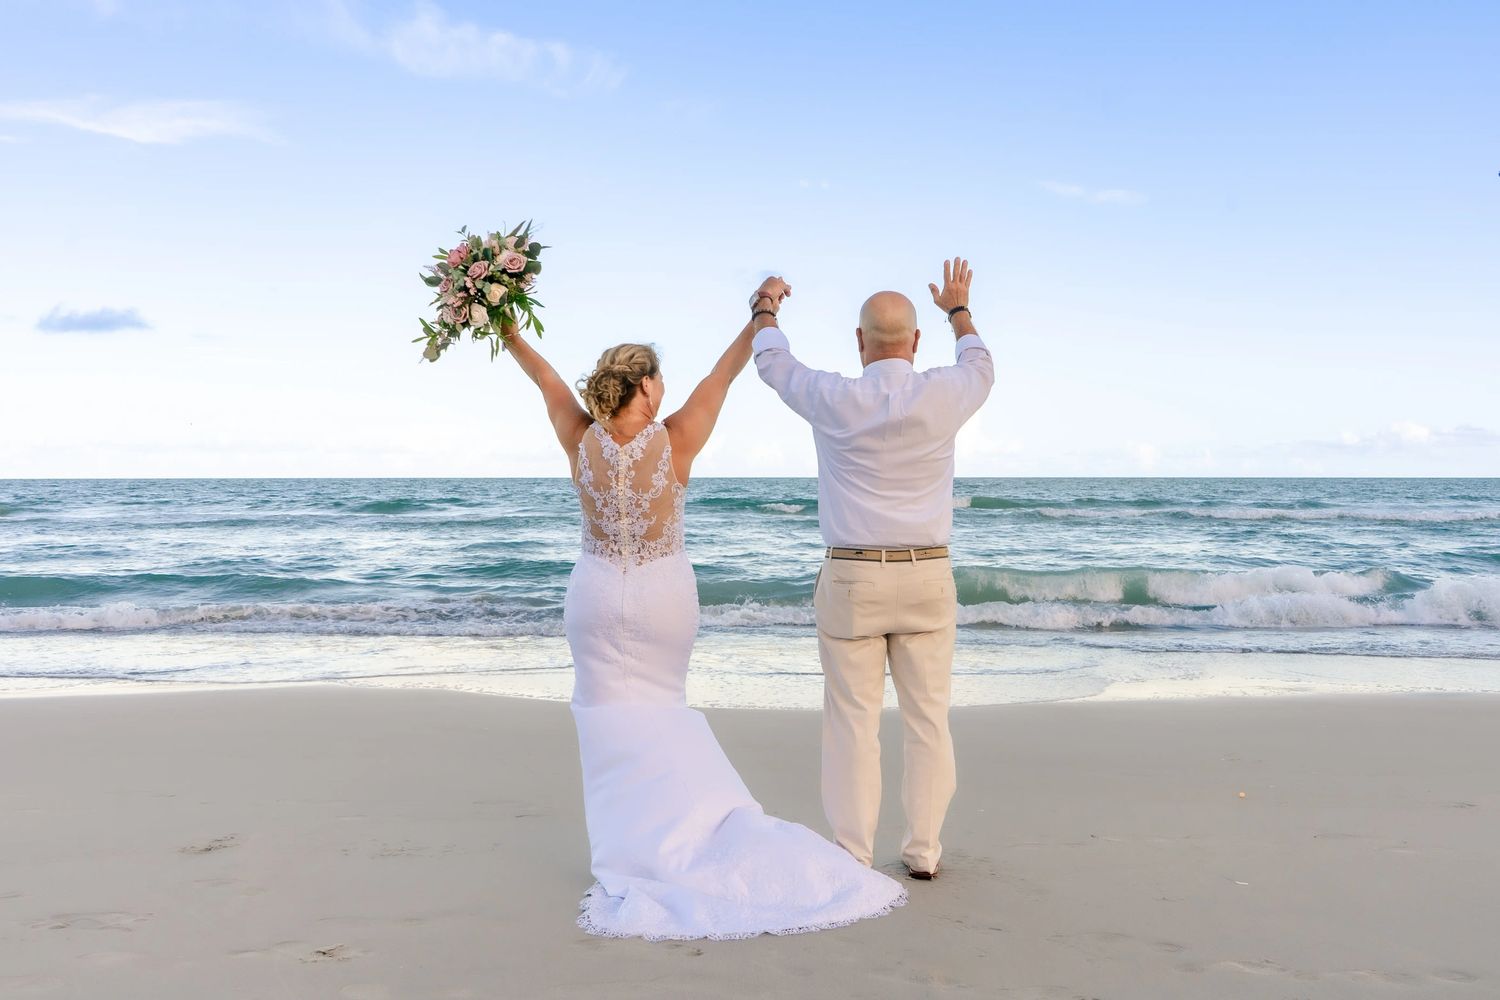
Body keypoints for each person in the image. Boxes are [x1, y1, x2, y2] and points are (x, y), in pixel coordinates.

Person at [498, 304, 907, 941]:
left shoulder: (579, 438)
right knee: (663, 708)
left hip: (597, 593)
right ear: (648, 384)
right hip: (663, 594)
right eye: (659, 380)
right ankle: (685, 830)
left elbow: (544, 379)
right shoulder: (677, 437)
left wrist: (508, 330)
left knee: (607, 720)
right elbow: (725, 374)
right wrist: (759, 317)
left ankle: (626, 850)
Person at [751, 259, 994, 879]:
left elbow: (773, 365)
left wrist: (768, 307)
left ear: (859, 343)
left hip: (853, 577)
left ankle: (854, 854)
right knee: (927, 720)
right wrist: (957, 309)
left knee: (852, 725)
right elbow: (981, 364)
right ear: (915, 343)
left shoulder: (836, 397)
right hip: (925, 575)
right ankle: (923, 853)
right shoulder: (945, 392)